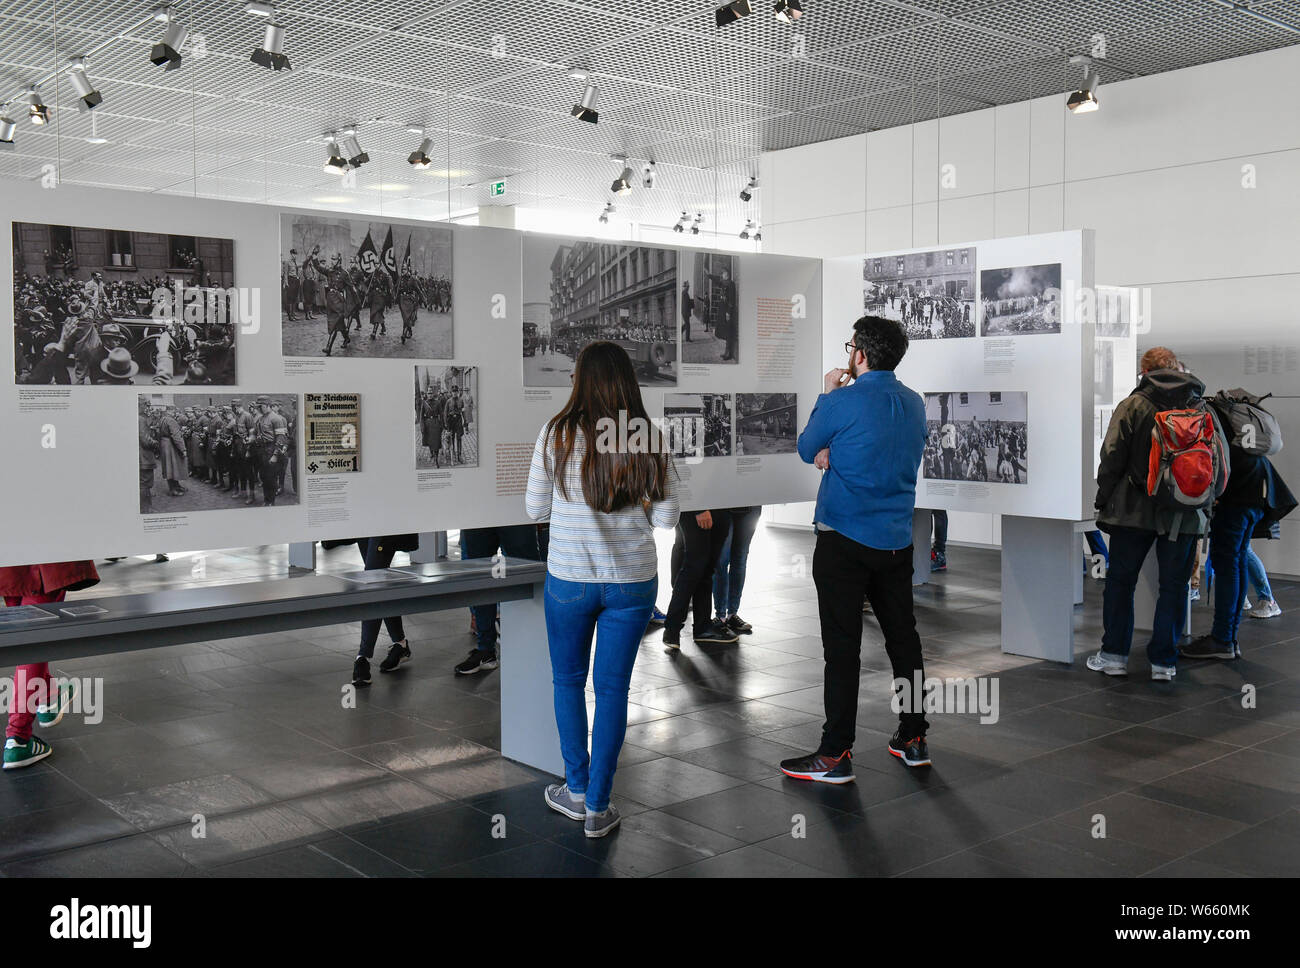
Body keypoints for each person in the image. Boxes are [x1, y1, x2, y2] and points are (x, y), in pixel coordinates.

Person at [526, 341, 679, 838]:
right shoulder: (648, 437)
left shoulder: (556, 433)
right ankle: (598, 806)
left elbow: (535, 510)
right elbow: (669, 517)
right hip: (632, 584)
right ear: (628, 382)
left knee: (568, 681)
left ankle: (574, 789)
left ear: (580, 380)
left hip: (570, 579)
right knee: (613, 690)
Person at [780, 314, 929, 784]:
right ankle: (913, 735)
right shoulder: (914, 403)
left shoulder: (841, 400)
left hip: (843, 539)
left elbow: (807, 447)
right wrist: (837, 451)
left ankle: (835, 753)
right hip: (895, 541)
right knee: (903, 639)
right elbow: (882, 450)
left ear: (858, 354)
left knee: (842, 648)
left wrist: (827, 395)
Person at [1088, 347, 1222, 680]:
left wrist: (1104, 498)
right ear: (1176, 367)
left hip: (1132, 512)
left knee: (1121, 583)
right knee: (1174, 586)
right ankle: (1164, 662)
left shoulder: (1133, 405)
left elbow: (1112, 457)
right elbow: (1220, 466)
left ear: (1144, 371)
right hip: (1185, 515)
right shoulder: (1201, 406)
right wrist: (1204, 502)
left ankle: (1114, 656)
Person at [1182, 409, 1294, 658]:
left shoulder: (1200, 412)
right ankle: (1229, 637)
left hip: (1237, 495)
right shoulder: (1222, 411)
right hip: (1256, 491)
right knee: (1238, 559)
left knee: (1227, 564)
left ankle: (1222, 638)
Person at [2, 560, 100, 769]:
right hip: (43, 558)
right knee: (32, 636)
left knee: (25, 627)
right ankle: (18, 739)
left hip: (9, 558)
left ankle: (48, 695)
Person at [453, 524, 542, 675]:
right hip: (478, 511)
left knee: (526, 574)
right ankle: (486, 650)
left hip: (513, 508)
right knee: (480, 575)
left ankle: (530, 646)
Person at [663, 508, 736, 648]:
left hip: (723, 507)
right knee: (694, 567)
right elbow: (689, 485)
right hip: (698, 508)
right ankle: (672, 628)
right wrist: (699, 509)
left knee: (707, 569)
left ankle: (703, 628)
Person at [351, 536, 416, 686]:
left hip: (385, 519)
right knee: (378, 579)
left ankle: (363, 656)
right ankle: (400, 644)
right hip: (362, 519)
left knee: (373, 580)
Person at [712, 505, 760, 635]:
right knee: (721, 560)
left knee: (740, 559)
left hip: (751, 505)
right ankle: (720, 616)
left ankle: (732, 614)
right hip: (723, 505)